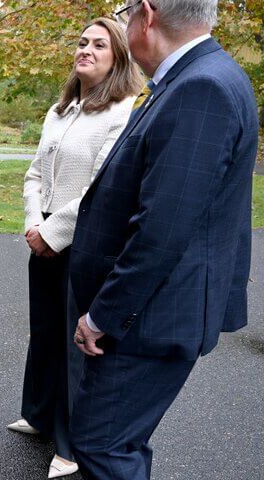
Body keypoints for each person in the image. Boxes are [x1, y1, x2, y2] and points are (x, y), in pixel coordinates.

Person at [68, 1, 259, 478]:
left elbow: (162, 229)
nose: (124, 19)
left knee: (102, 445)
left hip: (148, 318)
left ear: (147, 15)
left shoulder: (202, 87)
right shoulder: (194, 77)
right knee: (115, 440)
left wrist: (103, 315)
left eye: (125, 10)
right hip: (155, 312)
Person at [11, 18, 143, 479]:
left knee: (72, 342)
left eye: (99, 44)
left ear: (118, 57)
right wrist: (33, 223)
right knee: (44, 329)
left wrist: (53, 232)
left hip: (81, 243)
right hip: (41, 234)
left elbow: (99, 188)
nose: (86, 49)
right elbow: (33, 174)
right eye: (83, 42)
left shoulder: (122, 112)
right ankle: (40, 414)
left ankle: (70, 444)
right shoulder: (60, 109)